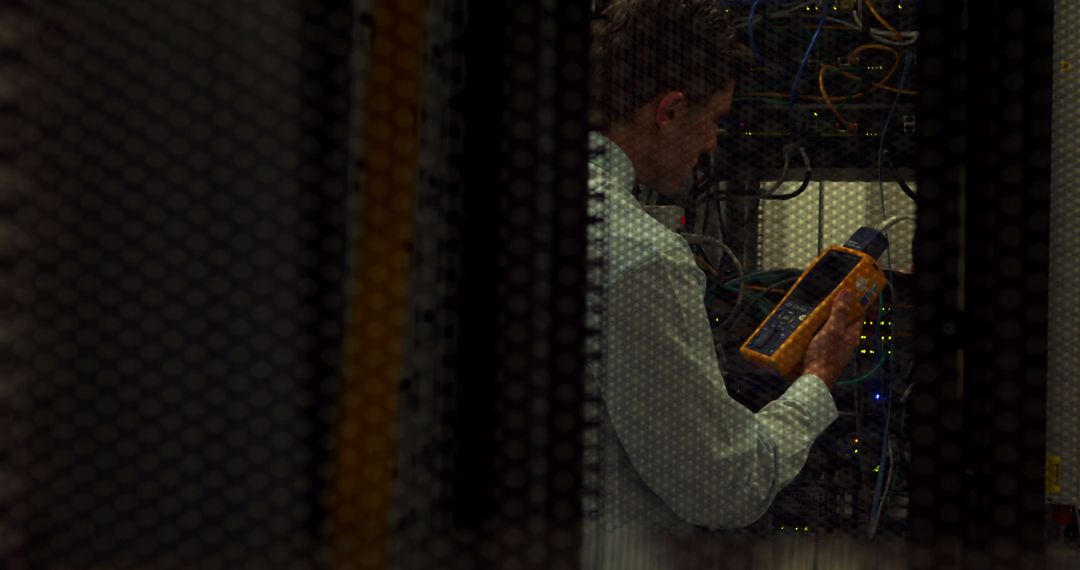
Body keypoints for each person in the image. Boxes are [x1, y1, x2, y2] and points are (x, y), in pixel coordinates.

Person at [584, 1, 873, 567]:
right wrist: (818, 379)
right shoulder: (640, 257)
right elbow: (724, 485)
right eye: (715, 119)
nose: (714, 142)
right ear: (668, 111)